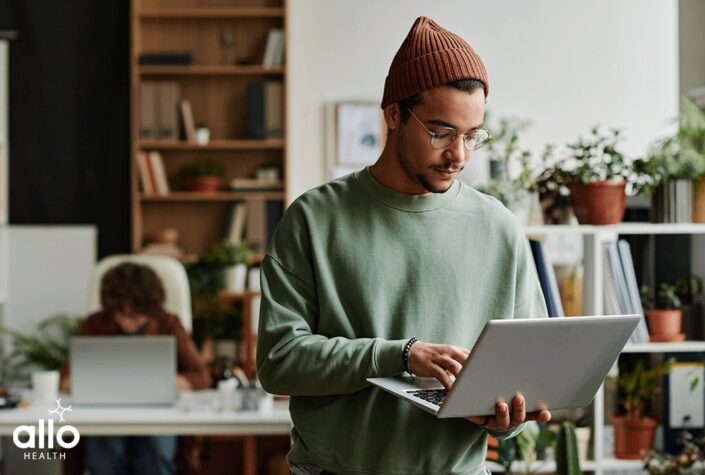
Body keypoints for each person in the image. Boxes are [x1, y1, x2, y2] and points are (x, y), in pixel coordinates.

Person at [257, 16, 552, 475]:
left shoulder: (499, 227)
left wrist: (508, 418)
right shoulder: (313, 219)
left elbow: (524, 373)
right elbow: (279, 361)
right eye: (441, 132)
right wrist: (399, 354)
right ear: (393, 114)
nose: (459, 155)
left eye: (472, 136)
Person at [60, 262, 211, 475]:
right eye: (122, 315)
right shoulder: (95, 324)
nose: (129, 323)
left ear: (151, 310)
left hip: (156, 414)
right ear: (110, 308)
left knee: (155, 452)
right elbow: (65, 379)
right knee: (104, 455)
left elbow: (201, 376)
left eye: (137, 316)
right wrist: (84, 384)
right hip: (106, 415)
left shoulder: (168, 323)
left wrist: (161, 382)